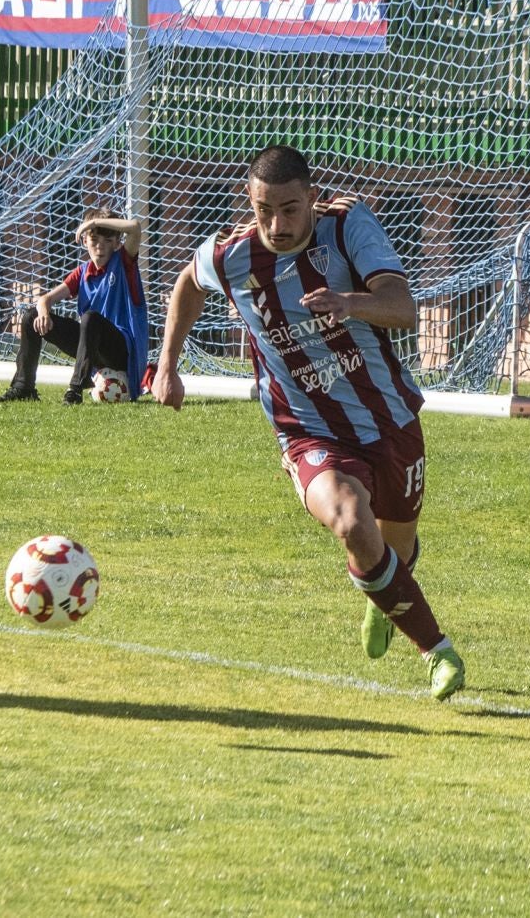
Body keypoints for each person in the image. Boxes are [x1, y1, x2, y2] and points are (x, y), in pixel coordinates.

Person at [149, 145, 466, 702]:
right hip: (307, 430)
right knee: (350, 522)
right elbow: (187, 285)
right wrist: (168, 365)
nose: (275, 224)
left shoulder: (348, 228)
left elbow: (402, 307)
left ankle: (383, 597)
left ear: (313, 199)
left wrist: (350, 302)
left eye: (289, 209)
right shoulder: (231, 256)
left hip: (389, 420)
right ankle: (437, 650)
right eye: (262, 209)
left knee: (396, 547)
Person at [0, 211, 147, 405]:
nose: (100, 246)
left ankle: (75, 389)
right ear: (84, 241)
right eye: (94, 239)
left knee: (90, 318)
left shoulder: (123, 263)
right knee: (31, 317)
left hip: (120, 351)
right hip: (92, 347)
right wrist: (43, 312)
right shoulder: (82, 272)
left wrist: (94, 222)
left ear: (117, 244)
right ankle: (23, 387)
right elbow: (45, 299)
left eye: (108, 240)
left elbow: (135, 228)